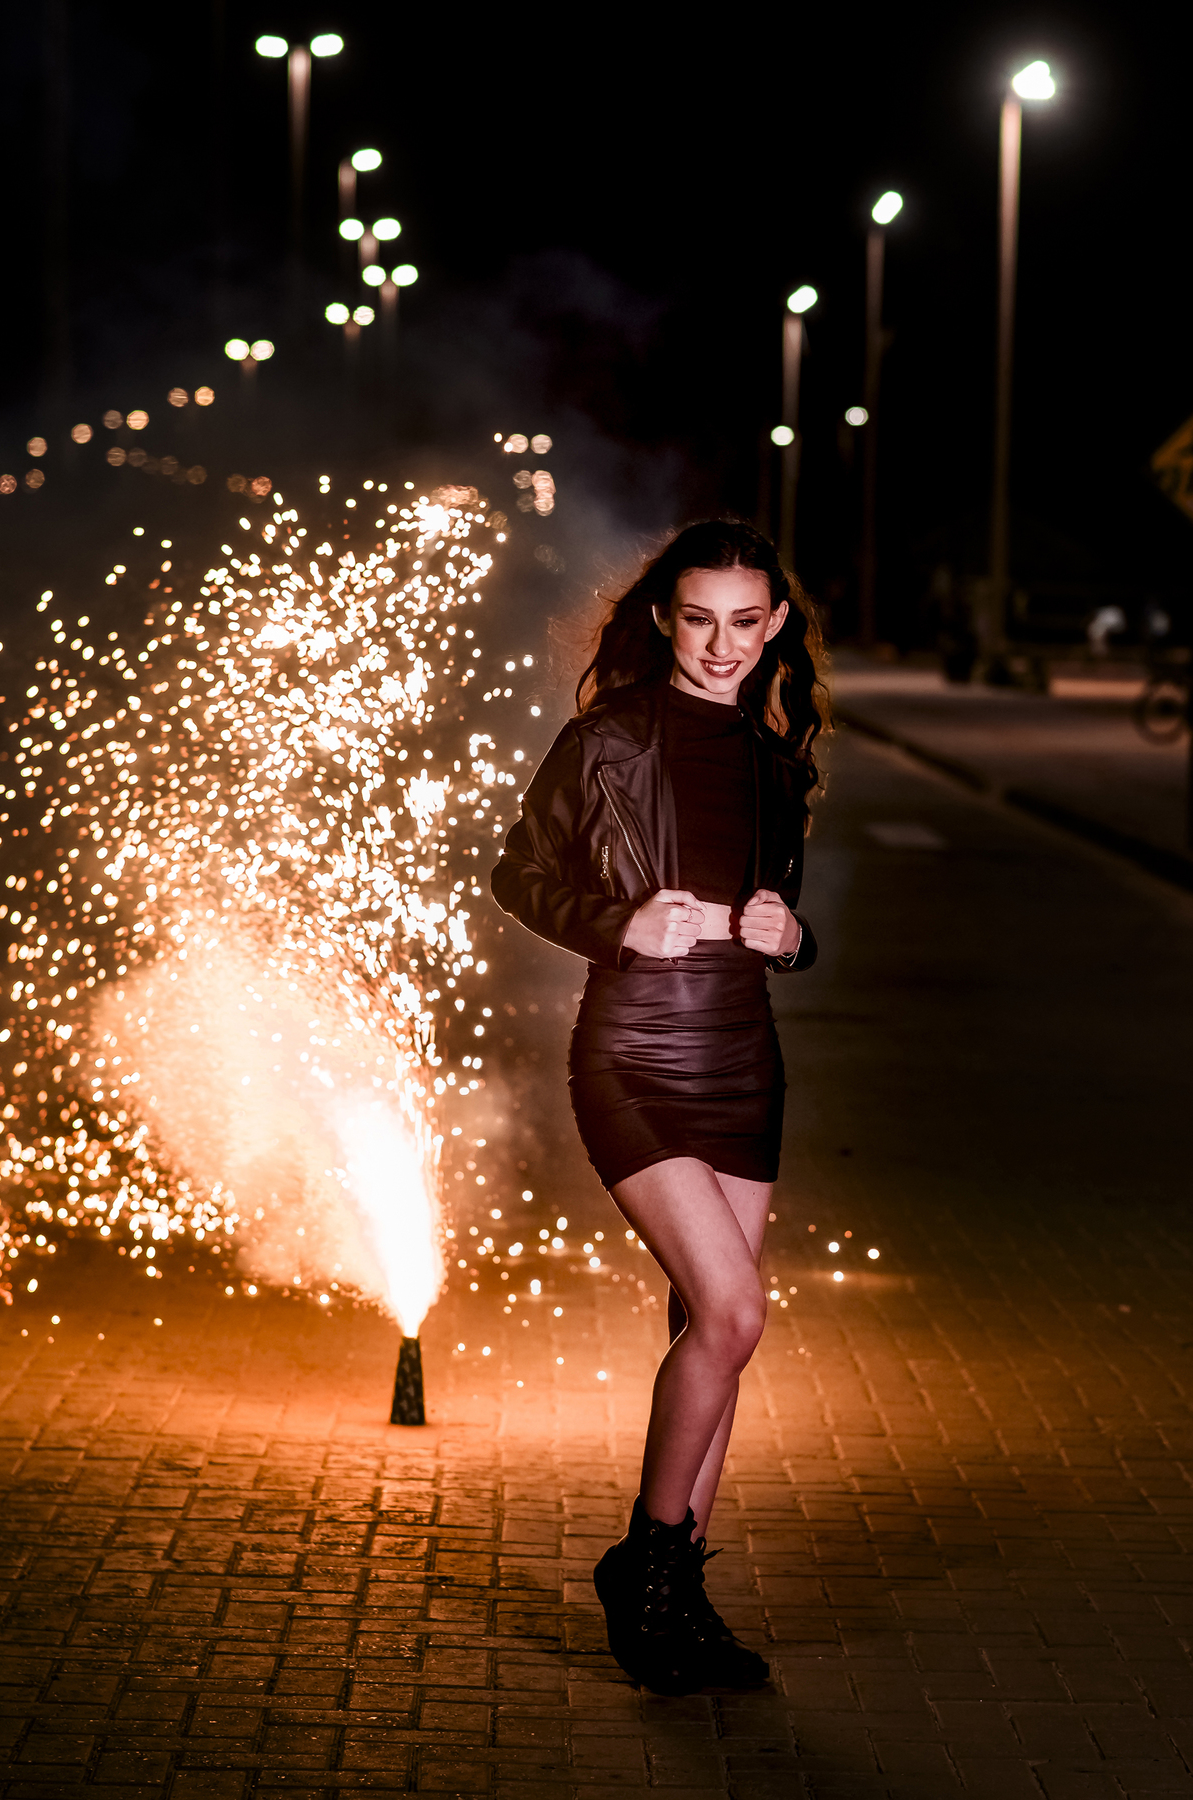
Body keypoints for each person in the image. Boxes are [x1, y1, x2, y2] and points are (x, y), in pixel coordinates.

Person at [491, 519, 827, 1694]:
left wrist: (796, 937)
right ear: (662, 618)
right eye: (699, 618)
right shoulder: (608, 740)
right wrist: (617, 923)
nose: (721, 645)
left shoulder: (779, 763)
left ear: (774, 625)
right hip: (633, 1056)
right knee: (735, 1313)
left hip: (743, 1063)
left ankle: (678, 1600)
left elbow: (782, 910)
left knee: (707, 1337)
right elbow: (518, 872)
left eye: (746, 621)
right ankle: (643, 1567)